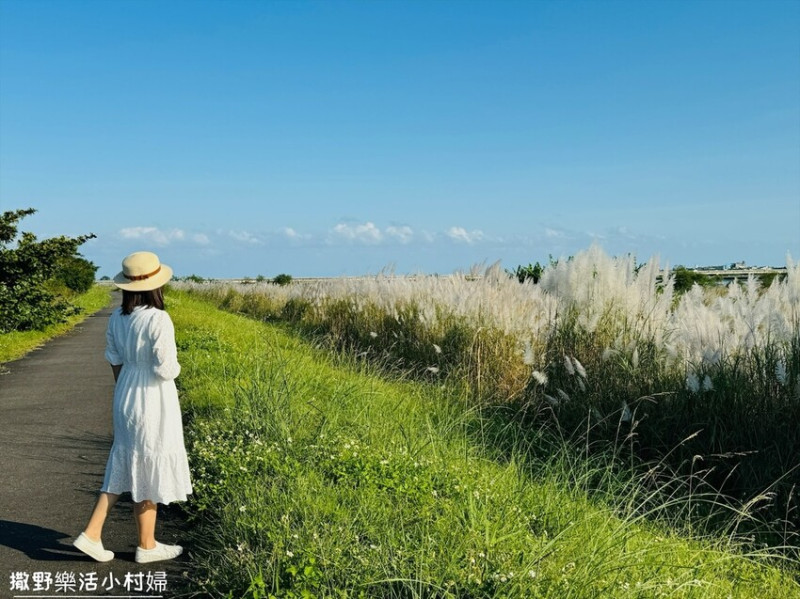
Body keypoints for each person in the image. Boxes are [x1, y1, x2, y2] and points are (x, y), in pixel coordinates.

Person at [73, 251, 192, 564]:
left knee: (129, 462)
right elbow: (167, 369)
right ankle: (116, 538)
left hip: (125, 391)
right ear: (156, 285)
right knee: (147, 462)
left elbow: (114, 358)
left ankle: (140, 542)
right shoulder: (158, 319)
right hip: (153, 396)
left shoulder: (117, 318)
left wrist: (124, 387)